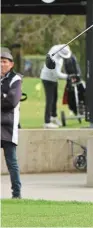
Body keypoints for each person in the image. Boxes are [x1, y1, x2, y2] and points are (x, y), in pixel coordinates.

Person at [1, 51, 22, 199]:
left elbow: (11, 101)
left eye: (5, 61)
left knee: (12, 162)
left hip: (8, 126)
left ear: (11, 64)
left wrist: (4, 97)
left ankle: (17, 194)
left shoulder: (16, 79)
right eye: (0, 62)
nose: (2, 64)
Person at [40, 44, 72, 128]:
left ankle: (53, 117)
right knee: (50, 100)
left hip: (53, 79)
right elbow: (58, 74)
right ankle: (47, 122)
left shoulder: (55, 48)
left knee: (55, 98)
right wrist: (68, 77)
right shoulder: (55, 61)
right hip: (47, 79)